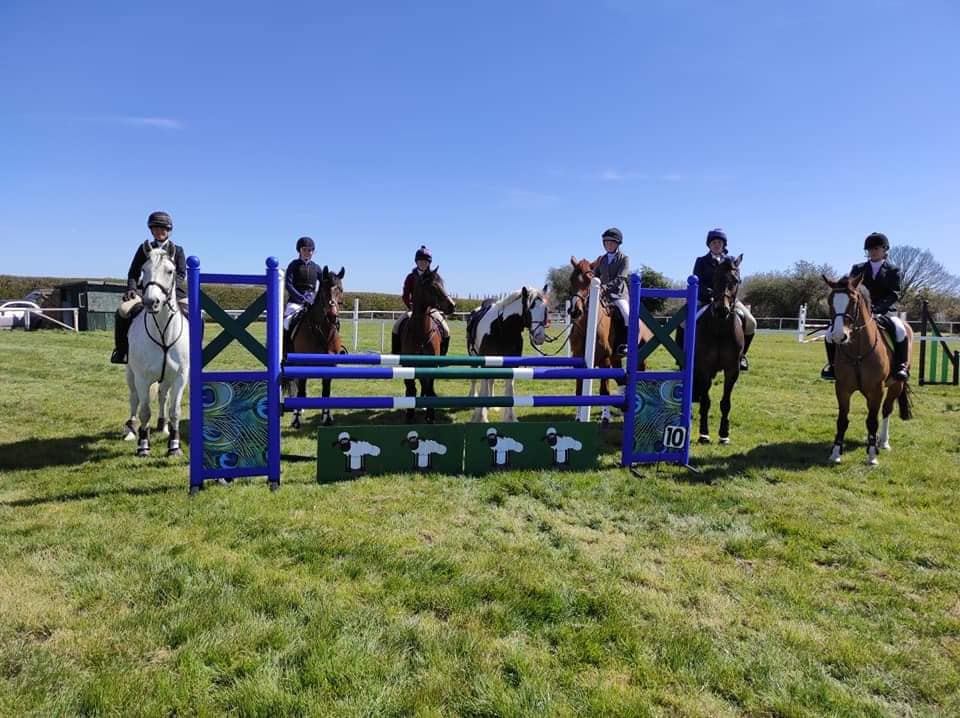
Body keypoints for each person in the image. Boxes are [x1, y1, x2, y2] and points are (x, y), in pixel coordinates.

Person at [821, 231, 909, 381]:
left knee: (900, 329)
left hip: (885, 311)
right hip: (858, 311)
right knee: (830, 333)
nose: (873, 252)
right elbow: (849, 288)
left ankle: (901, 366)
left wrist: (877, 308)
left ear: (884, 250)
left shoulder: (894, 270)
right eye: (870, 250)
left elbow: (894, 294)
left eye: (876, 249)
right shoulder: (857, 268)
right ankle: (833, 366)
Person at [110, 211, 186, 364]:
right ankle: (122, 350)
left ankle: (196, 352)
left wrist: (168, 289)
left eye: (163, 228)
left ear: (169, 230)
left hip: (173, 293)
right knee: (123, 311)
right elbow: (134, 272)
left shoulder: (177, 250)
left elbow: (181, 273)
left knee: (198, 316)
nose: (160, 232)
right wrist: (131, 288)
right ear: (151, 230)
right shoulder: (144, 249)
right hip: (147, 291)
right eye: (156, 228)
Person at [688, 228, 756, 370]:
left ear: (724, 244)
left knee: (751, 322)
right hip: (706, 298)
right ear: (709, 245)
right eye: (713, 242)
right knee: (684, 322)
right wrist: (710, 293)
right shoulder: (701, 261)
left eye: (719, 242)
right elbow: (697, 282)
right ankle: (683, 356)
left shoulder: (731, 261)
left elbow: (736, 281)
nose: (716, 244)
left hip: (729, 300)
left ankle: (741, 356)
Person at [398, 245, 450, 354]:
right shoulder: (411, 277)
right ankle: (396, 353)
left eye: (425, 262)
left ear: (429, 263)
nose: (423, 263)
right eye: (421, 261)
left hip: (431, 310)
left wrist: (435, 307)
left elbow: (439, 294)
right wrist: (410, 306)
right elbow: (405, 295)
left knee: (446, 330)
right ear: (416, 262)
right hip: (414, 309)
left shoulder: (435, 277)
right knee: (396, 326)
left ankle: (442, 357)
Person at [592, 227, 631, 356]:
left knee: (627, 315)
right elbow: (595, 275)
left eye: (612, 242)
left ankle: (625, 344)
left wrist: (604, 287)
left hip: (618, 294)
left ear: (618, 244)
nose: (608, 244)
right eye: (606, 242)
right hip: (602, 295)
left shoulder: (624, 258)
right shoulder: (601, 259)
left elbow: (620, 278)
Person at [283, 236, 322, 347]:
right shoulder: (293, 265)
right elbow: (288, 284)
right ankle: (285, 349)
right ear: (299, 250)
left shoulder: (316, 268)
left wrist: (317, 298)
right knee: (287, 323)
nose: (307, 252)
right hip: (295, 302)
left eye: (310, 250)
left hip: (312, 302)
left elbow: (324, 283)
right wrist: (300, 298)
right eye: (304, 249)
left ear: (313, 252)